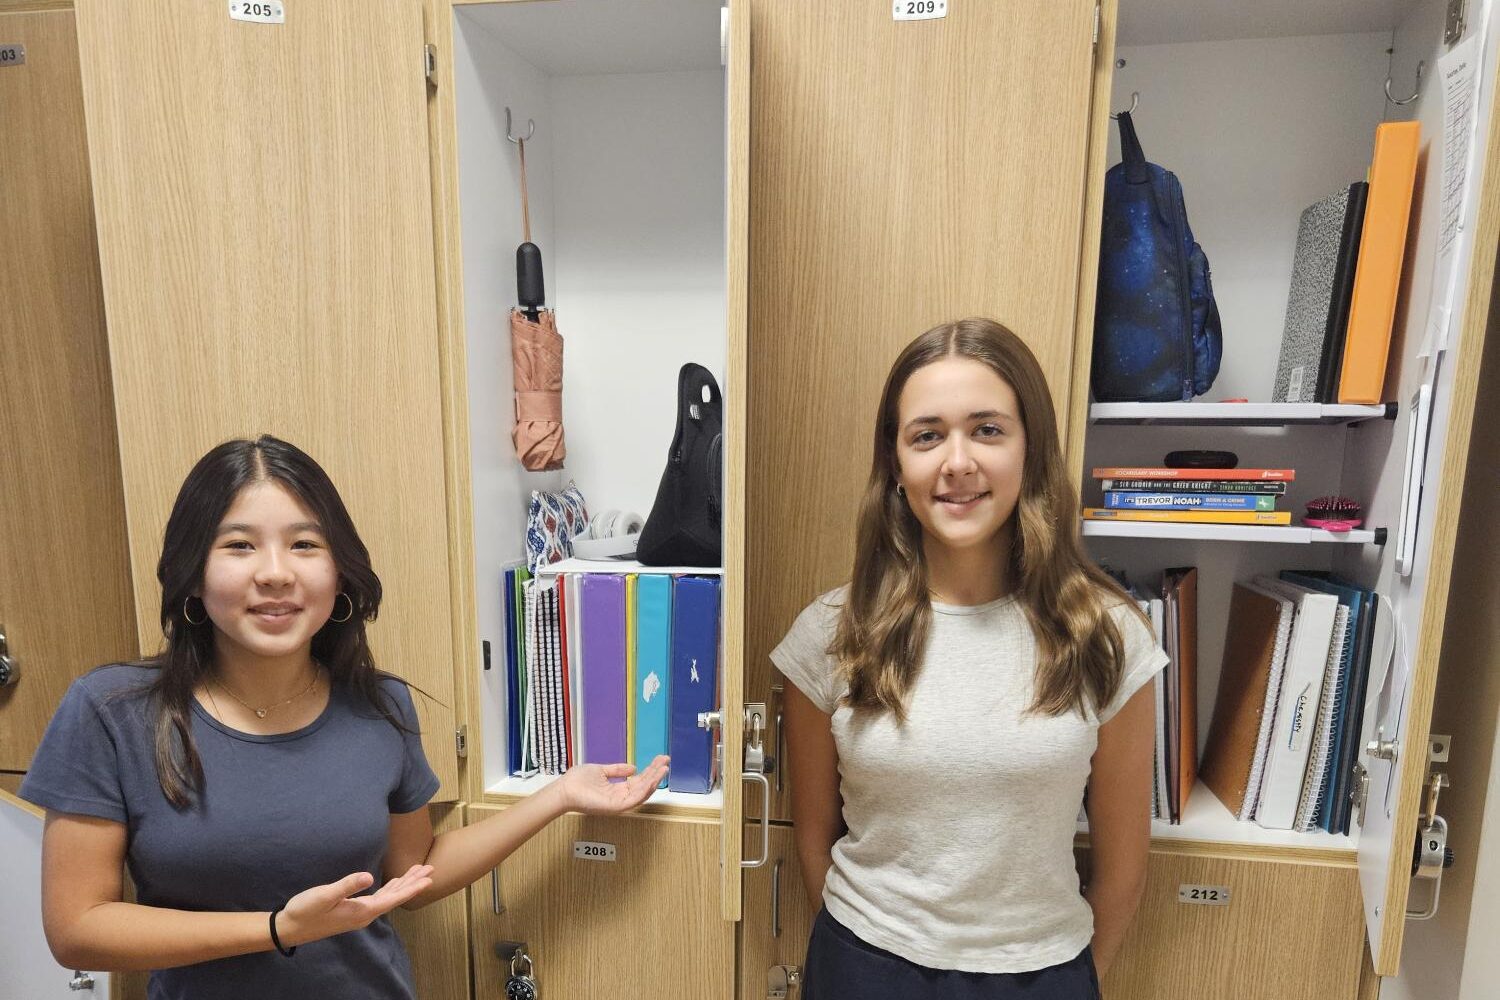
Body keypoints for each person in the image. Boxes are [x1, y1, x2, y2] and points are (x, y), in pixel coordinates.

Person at [19, 435, 669, 998]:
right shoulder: (113, 712)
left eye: (304, 544)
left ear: (338, 575)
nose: (275, 574)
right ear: (192, 574)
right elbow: (78, 930)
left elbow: (410, 875)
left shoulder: (379, 706)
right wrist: (278, 930)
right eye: (239, 546)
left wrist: (557, 796)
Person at [774, 318, 1165, 999]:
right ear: (896, 465)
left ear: (1029, 449)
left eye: (987, 429)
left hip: (1044, 973)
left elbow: (1123, 870)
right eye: (927, 435)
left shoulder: (1108, 636)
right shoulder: (832, 634)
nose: (957, 462)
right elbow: (814, 843)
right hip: (864, 968)